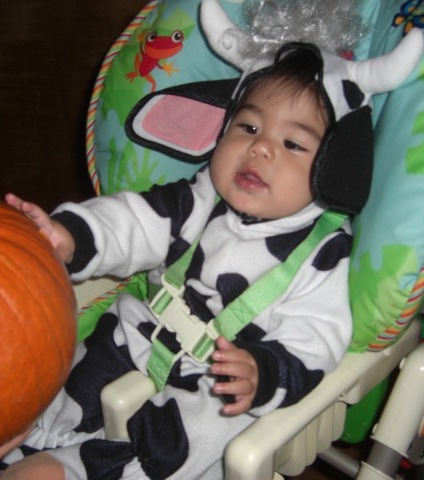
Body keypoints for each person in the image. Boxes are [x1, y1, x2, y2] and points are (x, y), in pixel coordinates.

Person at [0, 46, 357, 480]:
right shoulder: (199, 198)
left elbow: (315, 338)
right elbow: (133, 221)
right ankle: (35, 438)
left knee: (187, 443)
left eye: (293, 143)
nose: (260, 147)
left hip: (216, 386)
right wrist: (71, 237)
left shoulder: (324, 251)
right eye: (248, 126)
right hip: (140, 335)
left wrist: (262, 373)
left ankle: (92, 469)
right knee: (62, 382)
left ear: (335, 169)